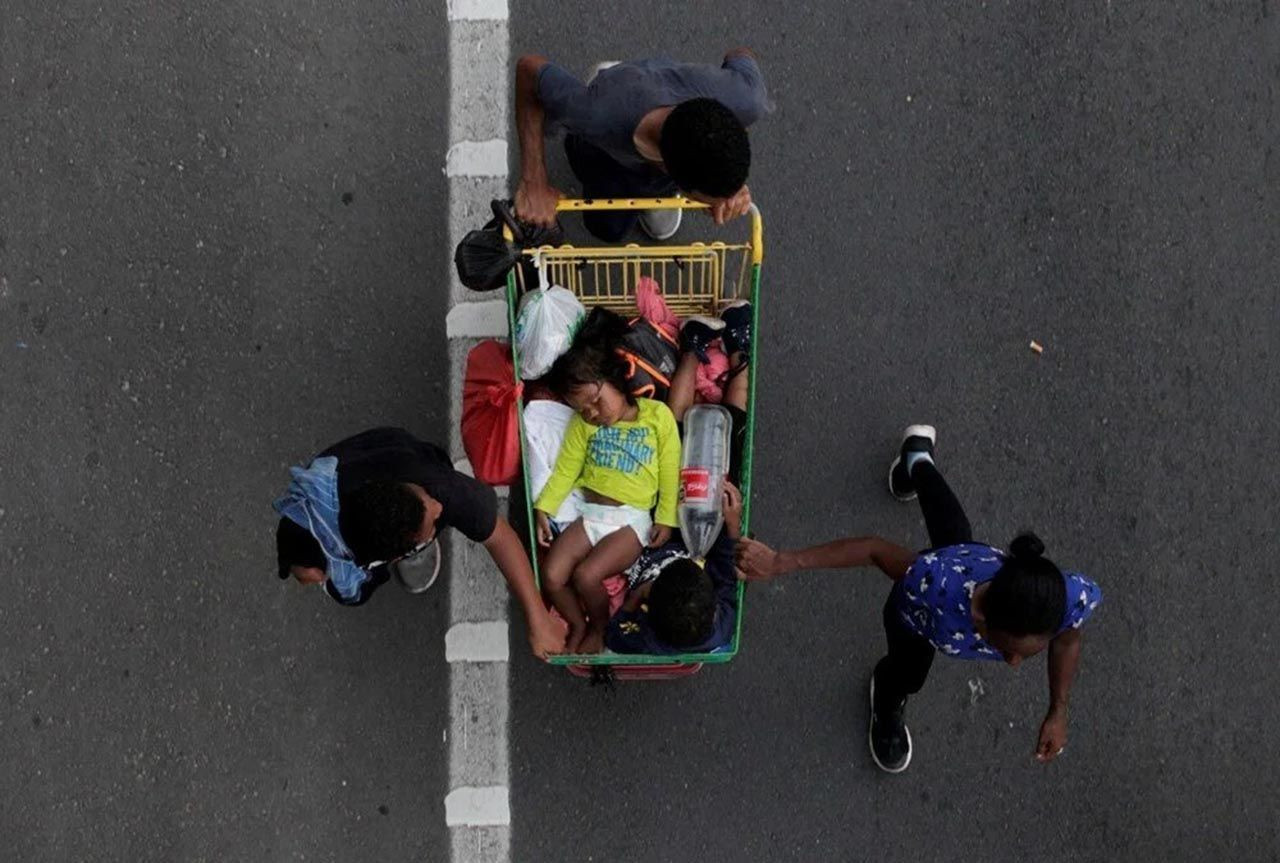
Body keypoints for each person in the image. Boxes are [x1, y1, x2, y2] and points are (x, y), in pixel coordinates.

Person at [735, 426, 1103, 773]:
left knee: (954, 538)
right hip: (918, 620)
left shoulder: (1067, 596)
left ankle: (917, 460)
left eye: (1026, 652)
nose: (1013, 663)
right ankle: (888, 697)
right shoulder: (935, 585)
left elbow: (1068, 636)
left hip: (962, 562)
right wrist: (782, 561)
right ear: (980, 618)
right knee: (908, 671)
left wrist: (1059, 709)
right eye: (1006, 649)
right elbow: (874, 550)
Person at [274, 427, 564, 659]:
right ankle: (416, 551)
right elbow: (293, 547)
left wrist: (536, 615)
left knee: (439, 502)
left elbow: (500, 535)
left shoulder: (441, 489)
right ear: (393, 553)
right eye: (430, 525)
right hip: (374, 526)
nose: (437, 508)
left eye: (426, 502)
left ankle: (419, 546)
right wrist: (303, 570)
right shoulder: (311, 520)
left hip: (401, 453)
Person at [533, 310, 682, 654]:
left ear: (616, 381)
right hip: (590, 516)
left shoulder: (656, 417)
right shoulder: (584, 426)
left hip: (631, 521)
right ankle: (578, 622)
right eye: (584, 410)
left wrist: (666, 518)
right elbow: (567, 469)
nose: (594, 414)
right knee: (553, 575)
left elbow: (671, 469)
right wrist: (545, 507)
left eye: (597, 401)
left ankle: (600, 627)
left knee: (586, 576)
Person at [513, 49, 769, 242]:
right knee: (607, 229)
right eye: (703, 200)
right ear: (672, 172)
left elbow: (740, 54)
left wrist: (726, 189)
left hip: (656, 121)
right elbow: (529, 70)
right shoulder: (596, 115)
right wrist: (533, 180)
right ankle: (604, 77)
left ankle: (658, 194)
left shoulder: (746, 100)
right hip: (607, 142)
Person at [606, 481, 745, 655]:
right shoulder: (724, 622)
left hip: (645, 537)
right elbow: (727, 574)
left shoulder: (648, 640)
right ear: (715, 607)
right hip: (690, 533)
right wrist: (733, 524)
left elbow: (614, 636)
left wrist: (636, 596)